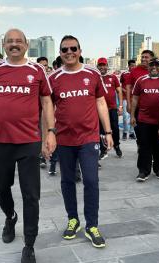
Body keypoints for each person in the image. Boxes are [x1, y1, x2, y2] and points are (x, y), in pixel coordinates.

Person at [0, 29, 56, 263]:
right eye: (10, 41)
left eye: (19, 41)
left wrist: (51, 132)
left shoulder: (37, 71)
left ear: (27, 45)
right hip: (0, 142)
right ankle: (10, 217)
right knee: (2, 188)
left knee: (31, 195)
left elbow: (47, 102)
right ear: (4, 45)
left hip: (29, 142)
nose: (14, 45)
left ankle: (29, 245)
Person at [48, 35, 113, 248]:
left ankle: (91, 225)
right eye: (64, 49)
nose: (69, 52)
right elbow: (47, 110)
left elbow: (101, 103)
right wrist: (47, 136)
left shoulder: (92, 73)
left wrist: (109, 132)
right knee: (67, 181)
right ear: (60, 52)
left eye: (73, 48)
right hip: (64, 139)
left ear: (80, 50)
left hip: (89, 137)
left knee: (91, 181)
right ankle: (73, 219)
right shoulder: (53, 78)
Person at [131, 58, 159, 181]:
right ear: (148, 67)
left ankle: (158, 168)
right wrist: (132, 115)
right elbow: (135, 99)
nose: (154, 67)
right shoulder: (141, 81)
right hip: (144, 120)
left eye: (157, 65)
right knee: (144, 146)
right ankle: (143, 171)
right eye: (151, 65)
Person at [96, 57, 123, 159]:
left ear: (107, 66)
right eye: (100, 65)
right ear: (97, 66)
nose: (102, 67)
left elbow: (119, 91)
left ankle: (116, 146)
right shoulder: (95, 77)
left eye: (104, 65)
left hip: (112, 108)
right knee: (101, 130)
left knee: (115, 129)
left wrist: (120, 106)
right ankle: (103, 150)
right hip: (100, 110)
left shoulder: (113, 77)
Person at [120, 60, 136, 140]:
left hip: (134, 99)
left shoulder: (136, 74)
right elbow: (120, 86)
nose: (133, 67)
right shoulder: (124, 74)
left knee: (132, 116)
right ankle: (125, 132)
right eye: (132, 65)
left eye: (134, 65)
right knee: (125, 116)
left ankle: (131, 133)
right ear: (129, 66)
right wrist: (125, 91)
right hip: (125, 98)